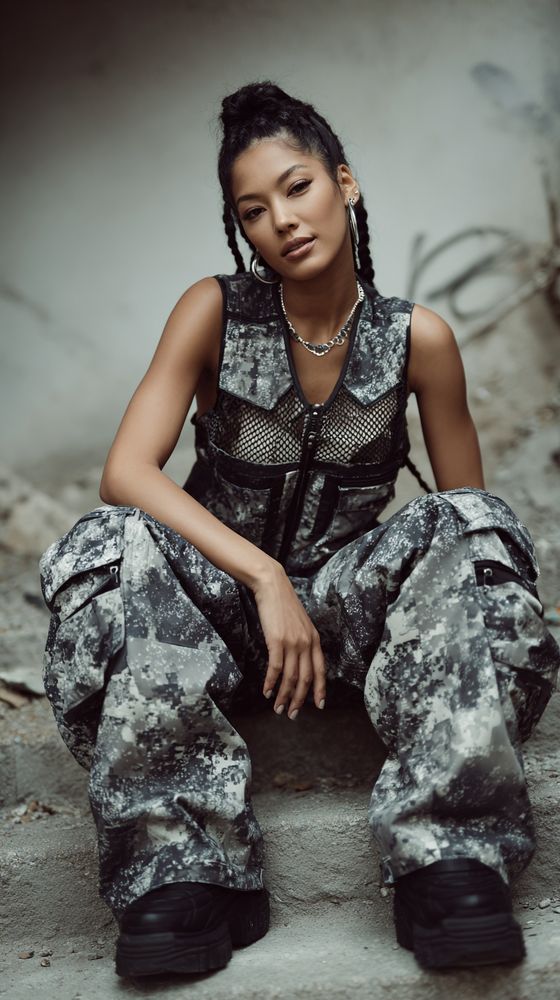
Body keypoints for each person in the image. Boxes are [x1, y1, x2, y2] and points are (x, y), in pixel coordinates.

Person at [38, 80, 560, 980]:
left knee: (471, 525)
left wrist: (375, 603)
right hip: (217, 616)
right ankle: (182, 869)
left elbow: (463, 525)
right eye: (253, 209)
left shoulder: (417, 340)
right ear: (239, 228)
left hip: (346, 620)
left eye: (297, 186)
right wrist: (265, 580)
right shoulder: (215, 310)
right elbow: (125, 472)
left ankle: (450, 859)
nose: (281, 219)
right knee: (106, 538)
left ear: (345, 184)